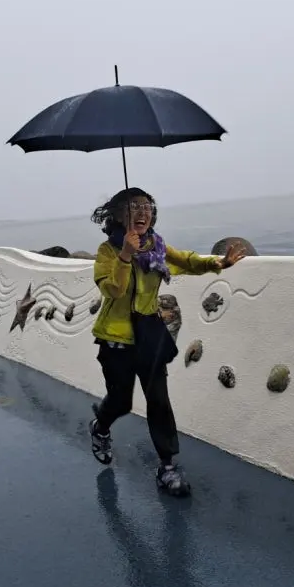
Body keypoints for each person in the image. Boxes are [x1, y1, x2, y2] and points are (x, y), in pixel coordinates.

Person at [88, 187, 247, 496]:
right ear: (118, 215)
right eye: (133, 207)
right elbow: (113, 291)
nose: (142, 212)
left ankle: (168, 466)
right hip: (115, 340)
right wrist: (125, 255)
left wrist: (219, 263)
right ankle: (101, 426)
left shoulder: (157, 247)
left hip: (150, 335)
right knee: (120, 402)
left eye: (146, 206)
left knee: (159, 401)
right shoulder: (107, 251)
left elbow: (186, 260)